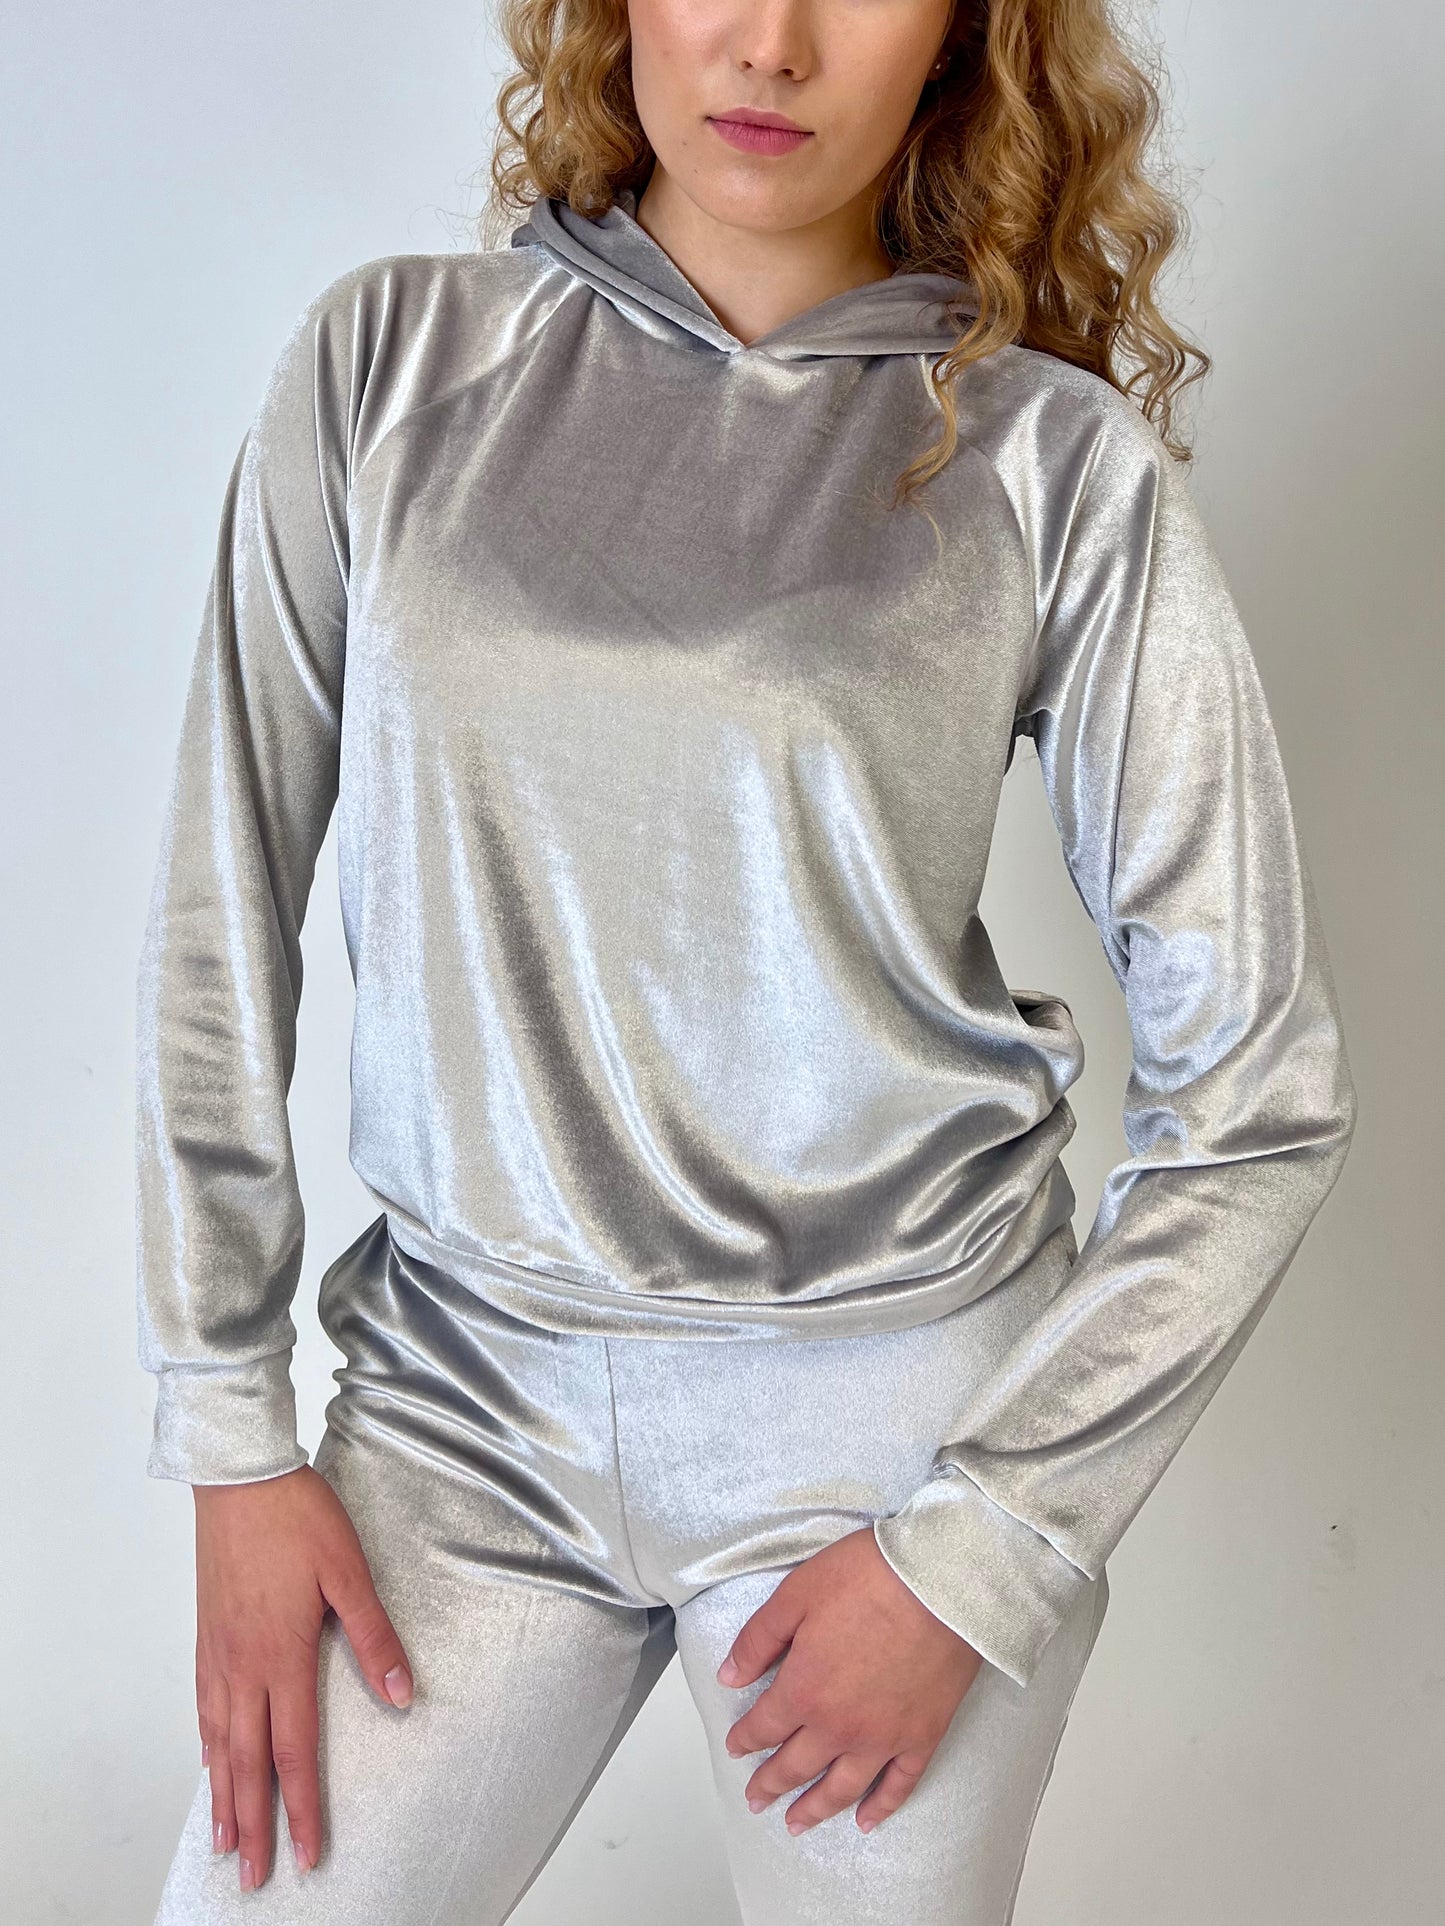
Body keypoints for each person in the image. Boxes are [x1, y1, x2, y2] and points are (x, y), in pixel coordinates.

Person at [135, 1, 1358, 1920]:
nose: (771, 43)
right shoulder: (393, 363)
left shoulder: (1052, 465)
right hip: (456, 1408)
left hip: (889, 1427)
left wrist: (984, 1542)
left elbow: (1257, 1095)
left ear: (958, 37)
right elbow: (222, 903)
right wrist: (226, 1430)